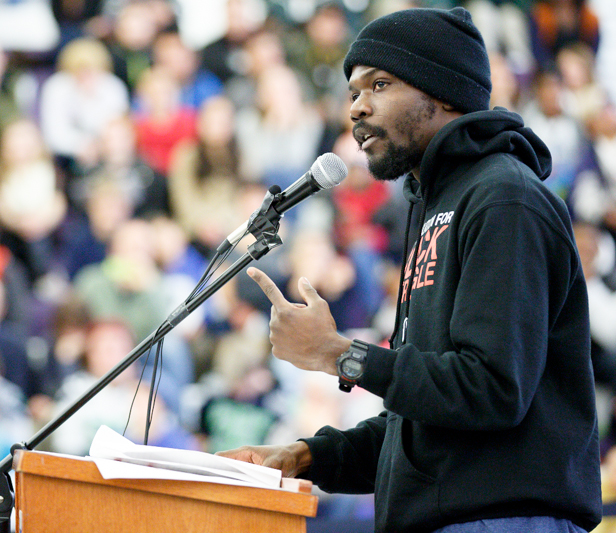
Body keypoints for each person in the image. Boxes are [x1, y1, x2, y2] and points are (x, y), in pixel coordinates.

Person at [217, 7, 602, 533]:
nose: (357, 108)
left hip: (504, 519)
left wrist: (339, 354)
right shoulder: (432, 206)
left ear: (441, 91)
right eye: (352, 92)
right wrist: (306, 456)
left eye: (379, 84)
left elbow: (491, 389)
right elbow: (421, 424)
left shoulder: (504, 199)